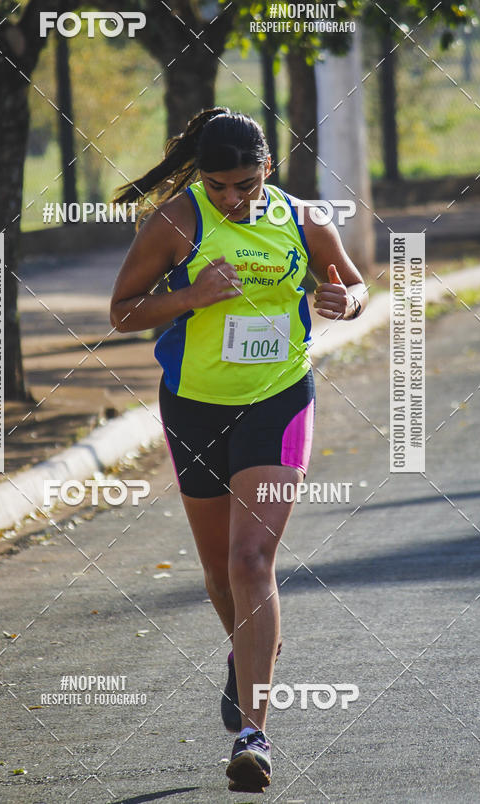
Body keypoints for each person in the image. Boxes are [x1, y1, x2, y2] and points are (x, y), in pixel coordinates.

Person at [109, 107, 367, 793]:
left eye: (247, 183)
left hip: (280, 401)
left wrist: (347, 298)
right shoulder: (174, 223)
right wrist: (191, 295)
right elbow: (123, 310)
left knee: (251, 560)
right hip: (192, 407)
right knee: (221, 577)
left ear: (268, 171)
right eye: (221, 185)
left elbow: (356, 281)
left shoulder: (305, 220)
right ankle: (247, 650)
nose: (234, 197)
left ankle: (254, 735)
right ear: (201, 177)